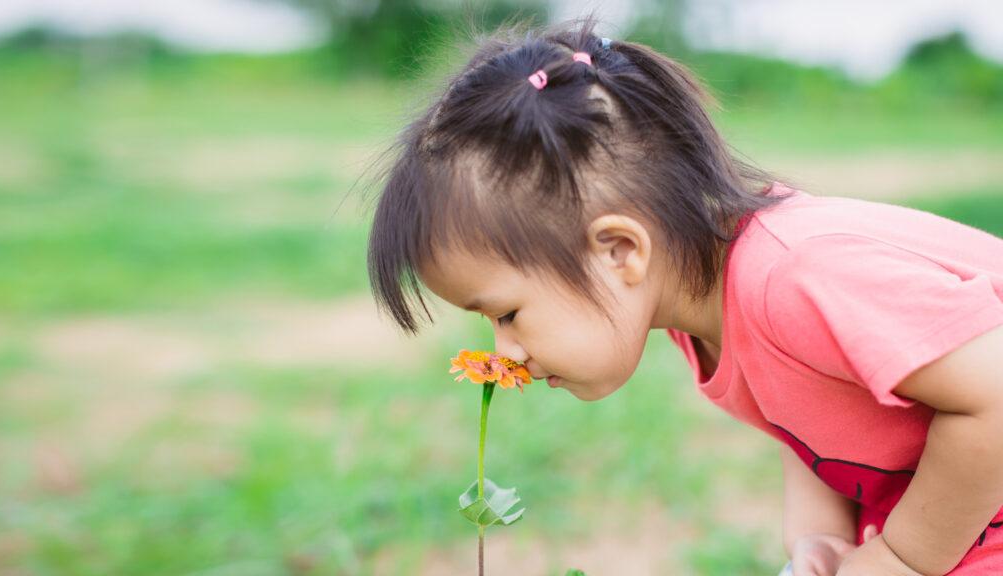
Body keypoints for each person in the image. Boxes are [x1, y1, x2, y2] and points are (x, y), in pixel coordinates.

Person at [364, 16, 1003, 576]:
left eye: (506, 314)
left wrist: (904, 559)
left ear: (619, 251)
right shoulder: (698, 301)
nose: (506, 354)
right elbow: (812, 411)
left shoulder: (795, 276)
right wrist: (823, 536)